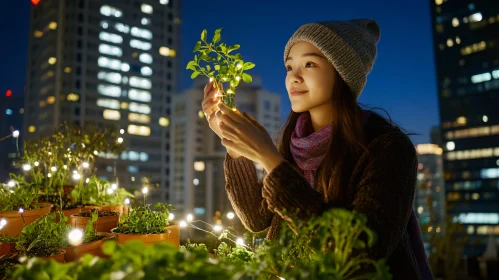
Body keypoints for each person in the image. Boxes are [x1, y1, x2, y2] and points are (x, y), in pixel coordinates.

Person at [201, 19, 433, 280]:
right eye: (289, 66)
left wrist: (269, 158)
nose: (293, 77)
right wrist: (234, 144)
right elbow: (256, 219)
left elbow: (359, 256)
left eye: (309, 64)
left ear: (342, 73)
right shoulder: (296, 140)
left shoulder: (388, 148)